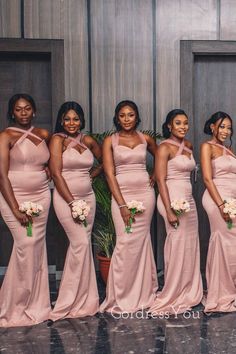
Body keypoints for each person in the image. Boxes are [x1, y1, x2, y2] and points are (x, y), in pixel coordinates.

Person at [100, 100, 158, 314]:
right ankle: (121, 294)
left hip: (145, 194)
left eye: (130, 115)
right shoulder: (110, 141)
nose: (126, 119)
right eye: (122, 115)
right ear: (117, 118)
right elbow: (108, 174)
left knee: (141, 242)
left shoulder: (146, 138)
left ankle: (143, 293)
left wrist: (155, 175)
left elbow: (162, 155)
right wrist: (122, 204)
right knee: (125, 242)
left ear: (137, 117)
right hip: (122, 195)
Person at [0, 93, 51, 327]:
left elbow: (47, 163)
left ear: (34, 111)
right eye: (18, 109)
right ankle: (13, 305)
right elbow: (1, 175)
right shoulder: (5, 136)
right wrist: (16, 208)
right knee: (25, 246)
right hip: (14, 197)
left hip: (42, 196)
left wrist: (48, 171)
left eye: (27, 108)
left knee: (37, 248)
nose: (23, 113)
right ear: (12, 112)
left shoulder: (43, 135)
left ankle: (36, 304)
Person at [48, 101, 101, 324]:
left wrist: (92, 175)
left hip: (89, 198)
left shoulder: (87, 140)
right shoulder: (57, 140)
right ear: (61, 120)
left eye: (76, 119)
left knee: (84, 244)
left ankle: (86, 298)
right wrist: (71, 203)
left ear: (82, 121)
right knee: (79, 243)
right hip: (65, 198)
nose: (72, 123)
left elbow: (107, 163)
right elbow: (56, 174)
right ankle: (67, 300)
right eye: (68, 119)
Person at [149, 109, 203, 317]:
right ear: (169, 126)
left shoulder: (188, 146)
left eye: (185, 123)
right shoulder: (163, 148)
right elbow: (161, 180)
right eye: (178, 123)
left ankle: (189, 288)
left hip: (189, 201)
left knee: (189, 244)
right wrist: (170, 209)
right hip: (170, 199)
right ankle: (174, 290)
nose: (183, 126)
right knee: (176, 243)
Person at [201, 111, 236, 313]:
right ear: (212, 126)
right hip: (217, 199)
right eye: (222, 126)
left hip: (232, 198)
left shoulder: (229, 149)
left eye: (229, 127)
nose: (225, 130)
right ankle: (220, 292)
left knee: (232, 245)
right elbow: (207, 178)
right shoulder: (207, 146)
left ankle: (229, 288)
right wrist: (222, 205)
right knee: (222, 241)